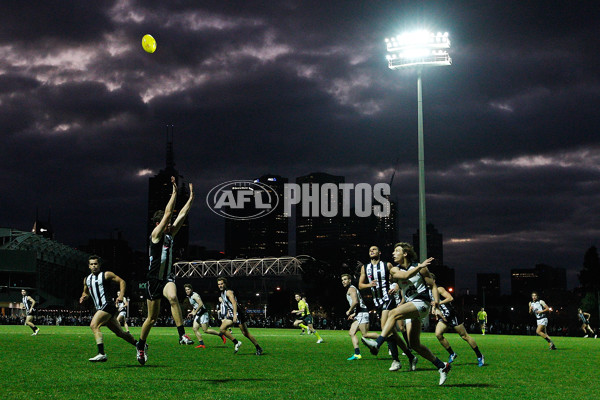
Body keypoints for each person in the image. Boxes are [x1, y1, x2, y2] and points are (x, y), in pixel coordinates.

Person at [361, 242, 451, 385]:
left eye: (397, 251)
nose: (393, 253)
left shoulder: (421, 269)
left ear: (405, 253)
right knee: (415, 344)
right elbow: (404, 275)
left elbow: (433, 285)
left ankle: (377, 344)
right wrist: (417, 268)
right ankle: (442, 366)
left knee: (394, 313)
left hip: (422, 303)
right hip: (412, 305)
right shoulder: (394, 269)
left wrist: (437, 304)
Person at [136, 176, 195, 365]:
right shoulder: (155, 235)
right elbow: (169, 213)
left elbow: (182, 214)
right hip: (153, 279)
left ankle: (181, 335)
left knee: (173, 297)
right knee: (151, 319)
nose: (168, 224)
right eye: (164, 222)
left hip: (167, 277)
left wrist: (192, 197)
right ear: (157, 224)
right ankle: (140, 345)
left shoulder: (170, 234)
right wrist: (175, 192)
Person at [359, 245, 417, 372]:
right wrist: (369, 284)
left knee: (385, 326)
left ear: (379, 252)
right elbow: (360, 285)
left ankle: (395, 360)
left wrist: (395, 287)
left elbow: (397, 279)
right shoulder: (365, 267)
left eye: (374, 249)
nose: (371, 251)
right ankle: (411, 356)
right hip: (377, 301)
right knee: (392, 333)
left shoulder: (387, 265)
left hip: (388, 298)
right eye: (369, 250)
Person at [79, 255, 137, 362]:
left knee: (93, 325)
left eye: (95, 264)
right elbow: (86, 292)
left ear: (99, 265)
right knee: (120, 333)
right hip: (100, 308)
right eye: (91, 264)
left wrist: (121, 296)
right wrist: (84, 297)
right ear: (89, 266)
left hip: (108, 305)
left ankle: (101, 353)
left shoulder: (106, 275)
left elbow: (122, 281)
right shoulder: (87, 279)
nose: (94, 266)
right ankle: (140, 345)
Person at [430, 280, 485, 367]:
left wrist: (439, 303)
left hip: (451, 315)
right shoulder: (429, 291)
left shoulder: (439, 289)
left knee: (464, 336)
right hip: (443, 317)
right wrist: (434, 308)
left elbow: (450, 298)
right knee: (438, 334)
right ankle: (452, 354)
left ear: (432, 280)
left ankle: (480, 356)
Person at [217, 277, 263, 355]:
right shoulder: (222, 293)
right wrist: (229, 312)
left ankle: (258, 348)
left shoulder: (228, 292)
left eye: (222, 284)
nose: (220, 285)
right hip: (232, 314)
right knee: (222, 329)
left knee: (245, 333)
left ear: (225, 284)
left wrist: (235, 315)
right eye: (219, 284)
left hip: (238, 313)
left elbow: (234, 303)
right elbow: (229, 304)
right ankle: (236, 342)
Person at [184, 283, 227, 348]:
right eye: (186, 290)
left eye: (188, 289)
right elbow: (195, 306)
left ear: (191, 289)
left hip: (203, 313)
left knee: (205, 330)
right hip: (199, 314)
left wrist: (195, 312)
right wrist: (192, 312)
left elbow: (201, 304)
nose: (187, 291)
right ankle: (202, 344)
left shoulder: (195, 295)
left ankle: (220, 335)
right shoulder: (189, 296)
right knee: (195, 328)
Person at [341, 274, 369, 360]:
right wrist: (354, 314)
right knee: (352, 333)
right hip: (360, 313)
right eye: (342, 280)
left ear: (350, 280)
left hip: (362, 314)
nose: (343, 282)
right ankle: (357, 354)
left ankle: (387, 339)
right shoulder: (351, 289)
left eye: (345, 279)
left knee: (365, 335)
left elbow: (355, 302)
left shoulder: (351, 289)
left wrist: (349, 311)